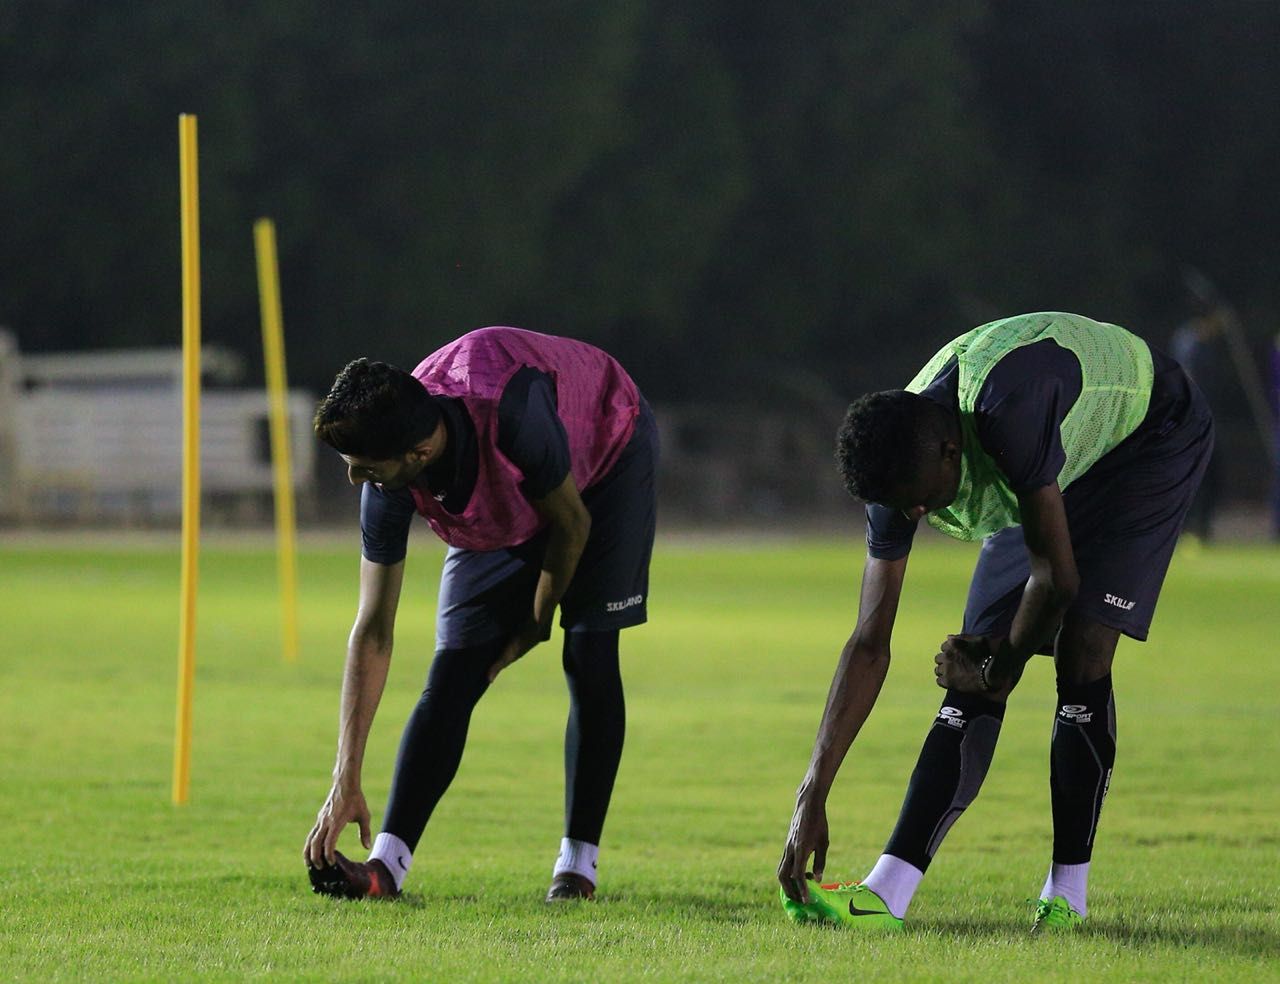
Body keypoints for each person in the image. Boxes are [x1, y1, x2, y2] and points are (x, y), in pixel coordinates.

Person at [776, 311, 1213, 933]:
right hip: (1050, 459)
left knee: (1082, 651)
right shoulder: (899, 467)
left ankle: (1067, 895)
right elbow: (870, 641)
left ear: (953, 450)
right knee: (971, 662)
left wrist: (997, 667)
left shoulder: (1010, 410)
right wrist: (812, 792)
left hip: (1148, 435)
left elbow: (1058, 584)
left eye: (920, 499)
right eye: (903, 507)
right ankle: (888, 891)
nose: (918, 513)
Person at [303, 326, 658, 902]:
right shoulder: (392, 471)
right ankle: (384, 868)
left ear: (418, 454)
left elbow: (571, 524)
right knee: (455, 671)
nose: (353, 479)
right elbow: (372, 629)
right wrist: (346, 777)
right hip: (512, 495)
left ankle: (577, 869)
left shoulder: (511, 411)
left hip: (605, 459)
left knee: (588, 652)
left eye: (363, 466)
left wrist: (536, 621)